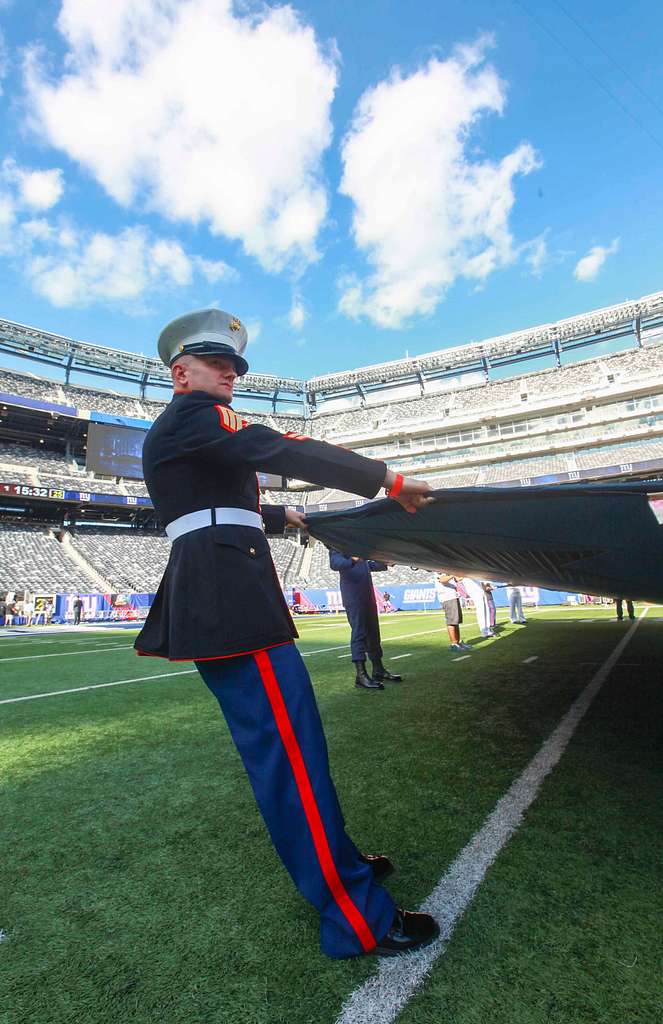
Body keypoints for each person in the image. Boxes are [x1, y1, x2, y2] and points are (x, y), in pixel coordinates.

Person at [133, 307, 439, 960]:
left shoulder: (184, 433)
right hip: (232, 608)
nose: (231, 374)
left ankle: (339, 863)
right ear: (179, 373)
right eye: (217, 365)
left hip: (225, 601)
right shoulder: (195, 416)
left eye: (235, 367)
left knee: (293, 754)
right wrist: (387, 478)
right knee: (292, 763)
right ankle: (356, 918)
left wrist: (280, 514)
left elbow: (208, 498)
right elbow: (283, 447)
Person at [329, 552, 402, 690]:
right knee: (359, 635)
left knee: (374, 634)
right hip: (354, 599)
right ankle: (360, 676)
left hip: (368, 597)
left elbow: (368, 565)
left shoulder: (356, 547)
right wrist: (353, 559)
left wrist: (385, 563)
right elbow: (335, 564)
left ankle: (378, 669)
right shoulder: (338, 546)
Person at [435, 573, 471, 651]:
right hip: (447, 598)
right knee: (451, 621)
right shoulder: (438, 570)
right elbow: (442, 580)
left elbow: (458, 579)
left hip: (453, 596)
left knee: (456, 621)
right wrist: (453, 574)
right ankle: (454, 644)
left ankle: (458, 642)